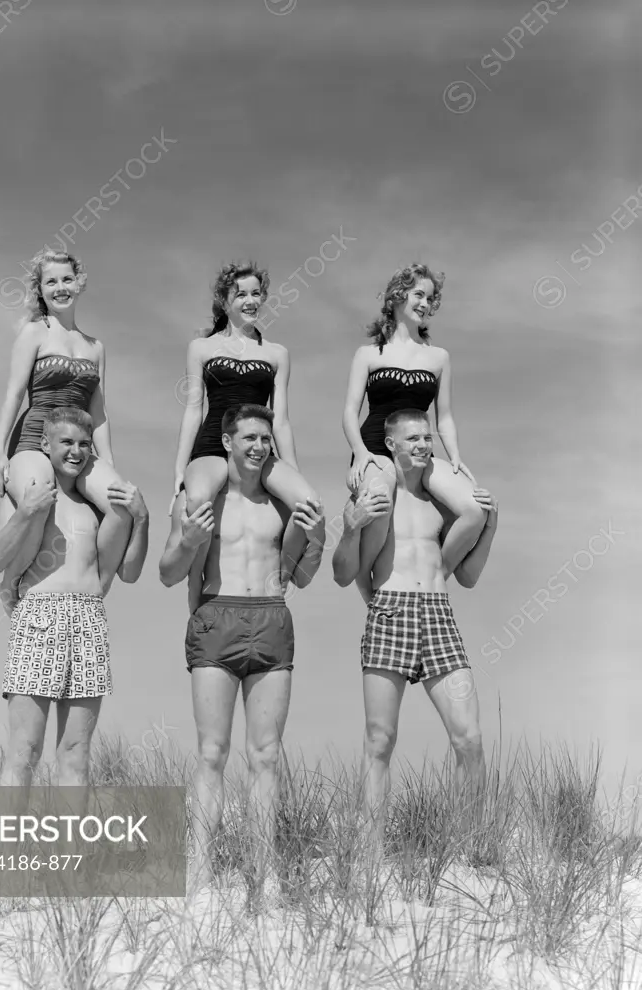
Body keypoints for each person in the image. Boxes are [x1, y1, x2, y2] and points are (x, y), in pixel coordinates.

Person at [160, 403, 325, 901]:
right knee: (212, 751)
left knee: (266, 755)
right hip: (217, 617)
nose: (258, 446)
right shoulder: (201, 500)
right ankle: (200, 868)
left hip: (272, 619)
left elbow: (301, 575)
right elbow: (168, 572)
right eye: (248, 437)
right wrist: (189, 540)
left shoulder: (280, 506)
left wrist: (313, 539)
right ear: (226, 442)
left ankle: (265, 871)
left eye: (265, 439)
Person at [332, 408, 498, 848]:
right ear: (390, 445)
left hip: (439, 615)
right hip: (391, 612)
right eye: (414, 439)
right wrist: (349, 529)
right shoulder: (376, 497)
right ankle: (369, 852)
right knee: (380, 741)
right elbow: (344, 573)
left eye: (428, 438)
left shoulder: (441, 504)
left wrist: (490, 523)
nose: (425, 446)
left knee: (471, 739)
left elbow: (468, 576)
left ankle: (468, 846)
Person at [0, 406, 149, 787]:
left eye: (84, 445)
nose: (76, 452)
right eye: (66, 443)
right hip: (39, 618)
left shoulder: (97, 508)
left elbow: (129, 572)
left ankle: (71, 848)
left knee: (76, 753)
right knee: (24, 750)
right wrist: (26, 512)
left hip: (90, 621)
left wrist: (141, 520)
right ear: (45, 444)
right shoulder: (24, 496)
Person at [0, 249, 133, 612]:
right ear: (40, 289)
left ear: (79, 283)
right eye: (51, 281)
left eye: (67, 279)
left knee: (123, 505)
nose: (60, 287)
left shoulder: (95, 346)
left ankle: (98, 586)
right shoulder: (34, 333)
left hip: (77, 444)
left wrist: (110, 464)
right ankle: (12, 582)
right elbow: (14, 393)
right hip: (35, 438)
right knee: (41, 497)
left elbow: (98, 414)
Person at [172, 261, 320, 602]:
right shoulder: (202, 348)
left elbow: (280, 419)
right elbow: (193, 410)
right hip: (213, 444)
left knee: (309, 503)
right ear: (225, 302)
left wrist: (292, 470)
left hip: (259, 447)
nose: (250, 301)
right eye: (241, 295)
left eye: (256, 294)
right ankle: (197, 595)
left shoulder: (277, 353)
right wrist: (179, 469)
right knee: (196, 502)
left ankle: (280, 580)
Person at [342, 263, 486, 602]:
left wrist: (455, 458)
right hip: (376, 446)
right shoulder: (368, 354)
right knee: (379, 506)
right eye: (418, 294)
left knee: (475, 509)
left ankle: (436, 576)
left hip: (420, 448)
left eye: (430, 298)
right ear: (397, 296)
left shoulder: (439, 358)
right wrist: (360, 454)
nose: (424, 303)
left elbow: (445, 418)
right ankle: (372, 596)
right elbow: (350, 411)